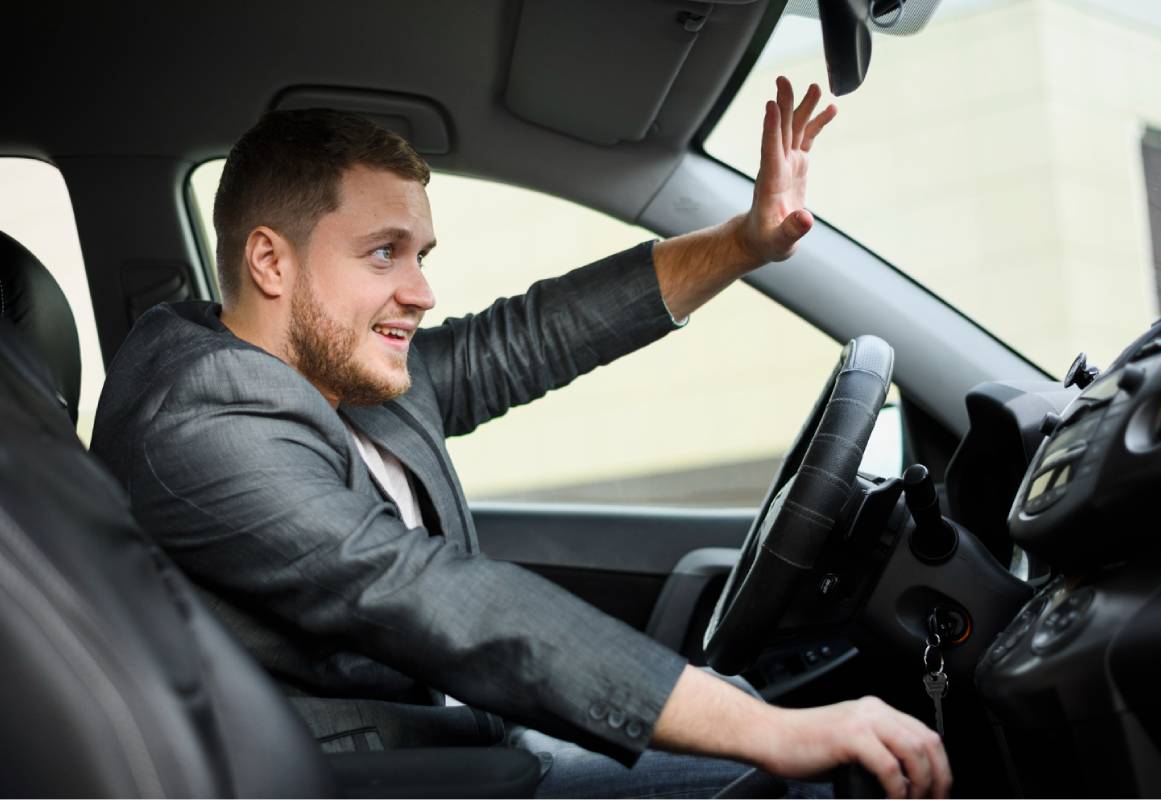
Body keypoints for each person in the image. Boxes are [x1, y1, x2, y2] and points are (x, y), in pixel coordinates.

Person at [91, 76, 950, 799]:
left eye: (421, 254)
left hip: (465, 735)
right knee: (791, 773)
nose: (422, 291)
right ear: (271, 262)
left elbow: (529, 338)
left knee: (748, 716)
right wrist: (771, 733)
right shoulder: (202, 420)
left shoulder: (327, 368)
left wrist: (745, 242)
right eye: (385, 253)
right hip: (380, 775)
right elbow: (424, 592)